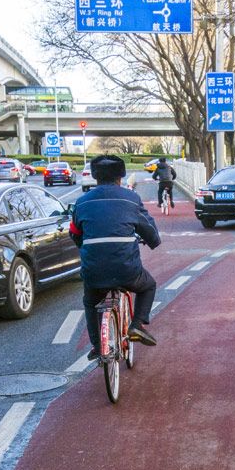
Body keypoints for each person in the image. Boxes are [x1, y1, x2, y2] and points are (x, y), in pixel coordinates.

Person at [70, 154, 160, 360]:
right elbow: (148, 230)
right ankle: (136, 325)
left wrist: (86, 245)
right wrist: (153, 240)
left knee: (91, 301)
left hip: (94, 269)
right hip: (126, 269)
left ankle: (96, 346)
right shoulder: (131, 198)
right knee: (148, 285)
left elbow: (75, 233)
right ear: (121, 177)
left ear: (95, 176)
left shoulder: (81, 202)